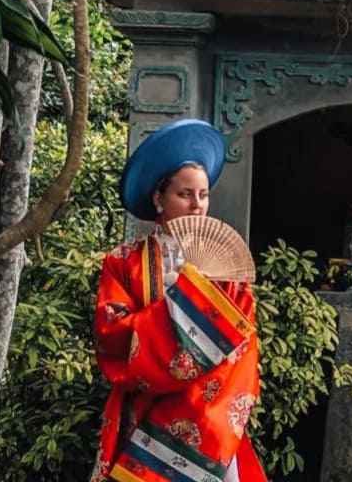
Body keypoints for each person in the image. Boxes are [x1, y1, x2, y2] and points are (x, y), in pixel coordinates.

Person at [91, 119, 266, 482]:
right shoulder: (123, 263)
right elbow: (112, 335)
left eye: (203, 195)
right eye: (184, 194)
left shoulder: (226, 270)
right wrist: (183, 309)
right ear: (159, 198)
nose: (196, 205)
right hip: (142, 414)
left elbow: (242, 345)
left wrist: (198, 401)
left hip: (207, 417)